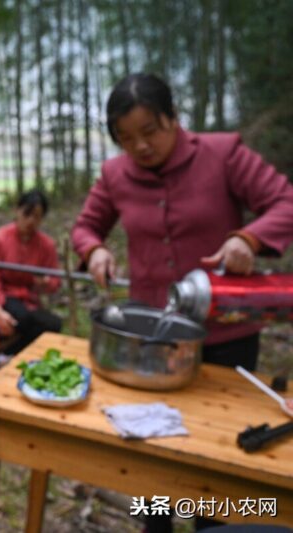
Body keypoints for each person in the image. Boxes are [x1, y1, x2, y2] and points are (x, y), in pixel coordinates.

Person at [71, 73, 293, 532]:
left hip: (225, 337)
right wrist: (93, 249)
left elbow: (285, 202)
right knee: (151, 458)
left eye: (150, 131)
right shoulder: (115, 175)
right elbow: (86, 227)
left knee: (214, 457)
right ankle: (157, 525)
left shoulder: (221, 155)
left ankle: (213, 527)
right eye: (126, 138)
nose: (141, 147)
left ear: (174, 119)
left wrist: (248, 239)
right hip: (150, 345)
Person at [0, 189, 63, 356]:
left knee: (53, 324)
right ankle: (5, 354)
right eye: (26, 214)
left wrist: (44, 283)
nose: (30, 221)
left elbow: (55, 282)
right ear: (17, 211)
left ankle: (23, 355)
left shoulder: (46, 245)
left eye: (36, 216)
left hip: (24, 299)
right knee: (21, 317)